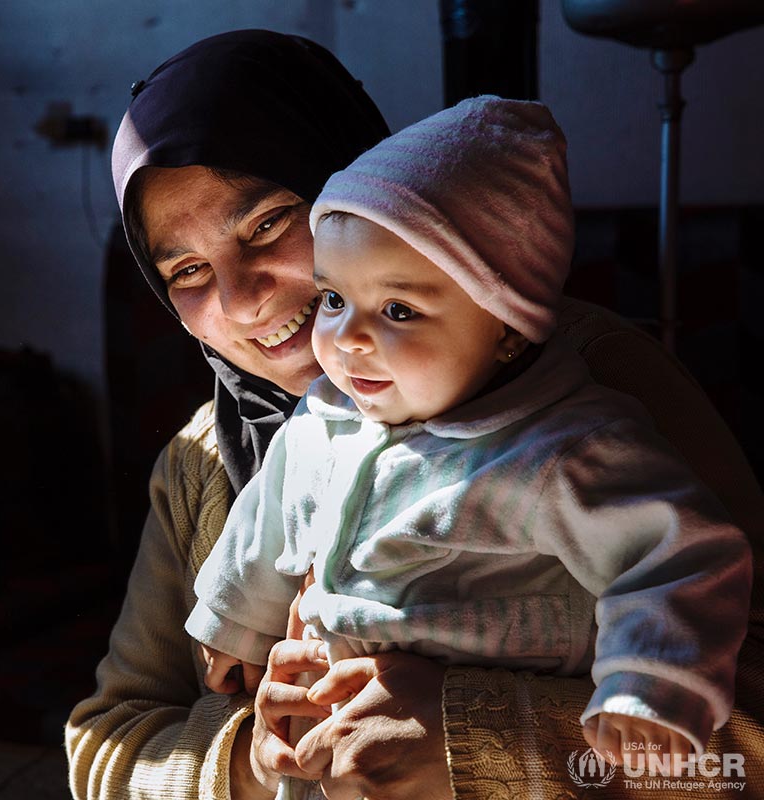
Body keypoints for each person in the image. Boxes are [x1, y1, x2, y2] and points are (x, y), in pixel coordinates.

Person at [65, 28, 764, 800]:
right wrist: (256, 760)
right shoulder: (199, 462)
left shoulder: (587, 394)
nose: (241, 299)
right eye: (188, 271)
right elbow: (107, 744)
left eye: (267, 223)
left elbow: (749, 737)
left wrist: (476, 735)